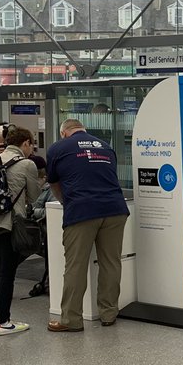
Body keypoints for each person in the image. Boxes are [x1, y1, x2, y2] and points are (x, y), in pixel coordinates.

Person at [45, 118, 130, 332]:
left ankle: (71, 320)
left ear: (64, 132)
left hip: (82, 211)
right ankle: (109, 313)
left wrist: (67, 202)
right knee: (111, 262)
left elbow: (54, 183)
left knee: (76, 265)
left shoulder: (58, 148)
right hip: (115, 209)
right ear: (84, 129)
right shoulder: (106, 146)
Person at [0, 125, 40, 336]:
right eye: (32, 145)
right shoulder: (26, 164)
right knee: (7, 273)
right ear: (25, 144)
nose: (32, 149)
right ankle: (4, 322)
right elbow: (34, 196)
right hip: (9, 224)